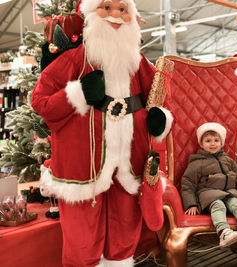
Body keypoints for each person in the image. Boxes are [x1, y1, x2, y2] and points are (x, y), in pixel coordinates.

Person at [31, 0, 173, 266]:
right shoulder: (73, 60)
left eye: (123, 10)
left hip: (128, 165)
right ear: (91, 14)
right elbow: (41, 101)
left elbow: (161, 98)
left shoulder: (138, 62)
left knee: (124, 236)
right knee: (82, 239)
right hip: (82, 167)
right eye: (107, 8)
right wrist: (79, 94)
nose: (116, 17)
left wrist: (158, 118)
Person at [180, 122, 237, 248]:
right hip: (208, 195)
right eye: (208, 141)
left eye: (216, 140)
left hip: (229, 192)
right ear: (201, 144)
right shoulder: (197, 162)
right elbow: (187, 183)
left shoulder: (228, 160)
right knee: (218, 205)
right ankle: (224, 233)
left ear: (221, 143)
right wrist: (191, 204)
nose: (212, 144)